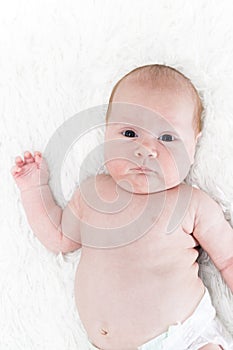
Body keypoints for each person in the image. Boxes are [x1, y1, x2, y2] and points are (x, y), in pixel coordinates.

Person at [11, 64, 233, 350]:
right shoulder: (93, 192)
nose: (145, 149)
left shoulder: (191, 202)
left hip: (185, 337)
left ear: (194, 143)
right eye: (129, 133)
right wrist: (34, 188)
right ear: (106, 134)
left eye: (167, 138)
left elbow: (228, 259)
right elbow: (59, 238)